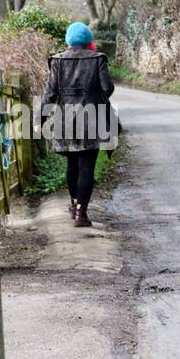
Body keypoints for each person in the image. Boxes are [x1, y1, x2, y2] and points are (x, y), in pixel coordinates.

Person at [40, 22, 116, 227]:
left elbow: (50, 93)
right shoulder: (98, 59)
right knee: (87, 166)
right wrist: (93, 97)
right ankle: (82, 213)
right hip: (91, 117)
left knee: (72, 164)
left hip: (65, 119)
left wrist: (40, 119)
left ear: (68, 40)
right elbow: (107, 87)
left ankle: (74, 205)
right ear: (89, 40)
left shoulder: (57, 60)